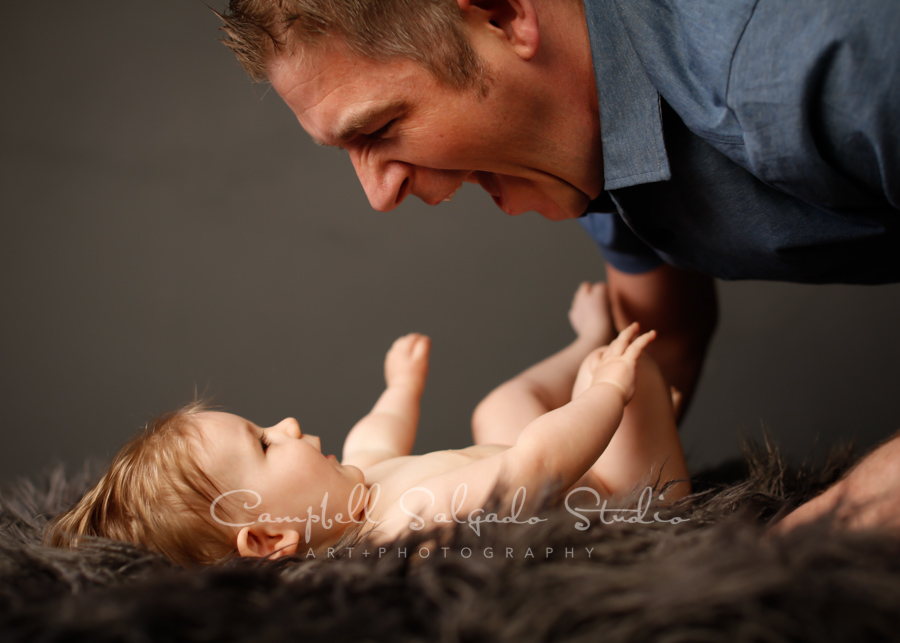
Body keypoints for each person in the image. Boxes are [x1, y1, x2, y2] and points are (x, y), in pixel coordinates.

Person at [215, 0, 900, 533]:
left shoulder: (792, 56)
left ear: (504, 15)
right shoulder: (580, 152)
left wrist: (808, 540)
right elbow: (665, 339)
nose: (378, 196)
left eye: (379, 128)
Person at [44, 283, 689, 566]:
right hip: (624, 494)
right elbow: (536, 466)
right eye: (266, 441)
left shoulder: (357, 490)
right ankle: (605, 369)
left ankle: (584, 338)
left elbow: (378, 433)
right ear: (269, 538)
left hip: (571, 451)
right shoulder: (410, 520)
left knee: (498, 406)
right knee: (633, 379)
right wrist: (604, 394)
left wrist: (401, 387)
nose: (288, 422)